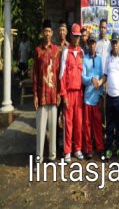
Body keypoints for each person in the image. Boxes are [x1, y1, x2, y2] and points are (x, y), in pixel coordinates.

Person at [33, 19, 60, 166]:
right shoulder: (38, 50)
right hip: (42, 96)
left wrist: (59, 94)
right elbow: (35, 76)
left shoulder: (56, 50)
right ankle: (39, 157)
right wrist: (35, 95)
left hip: (53, 95)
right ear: (42, 32)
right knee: (40, 129)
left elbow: (58, 74)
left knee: (53, 130)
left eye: (49, 31)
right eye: (45, 31)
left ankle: (52, 156)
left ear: (52, 33)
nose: (47, 33)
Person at [98, 32, 119, 159]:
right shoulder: (108, 59)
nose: (115, 44)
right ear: (112, 44)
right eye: (113, 42)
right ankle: (109, 147)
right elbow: (105, 76)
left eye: (117, 42)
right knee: (109, 124)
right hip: (109, 97)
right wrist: (99, 82)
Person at [60, 23, 84, 163]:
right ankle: (67, 150)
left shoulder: (82, 52)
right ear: (71, 36)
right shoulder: (65, 52)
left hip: (79, 93)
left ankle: (78, 148)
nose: (76, 39)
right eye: (74, 36)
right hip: (69, 93)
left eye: (78, 36)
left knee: (78, 122)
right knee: (68, 122)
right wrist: (63, 95)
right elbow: (61, 75)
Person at [82, 33, 104, 159]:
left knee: (97, 124)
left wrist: (101, 95)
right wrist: (91, 79)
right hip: (87, 98)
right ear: (88, 44)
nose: (92, 45)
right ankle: (88, 149)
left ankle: (100, 147)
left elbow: (102, 77)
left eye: (94, 43)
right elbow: (82, 78)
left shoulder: (100, 59)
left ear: (96, 44)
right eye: (90, 43)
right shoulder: (84, 59)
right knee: (87, 125)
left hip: (97, 98)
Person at [56, 22, 69, 152]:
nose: (61, 32)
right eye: (59, 30)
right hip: (56, 88)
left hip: (66, 89)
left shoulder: (69, 48)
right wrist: (58, 92)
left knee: (66, 118)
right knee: (56, 118)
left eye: (63, 30)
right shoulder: (54, 48)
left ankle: (65, 145)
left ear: (66, 32)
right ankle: (56, 145)